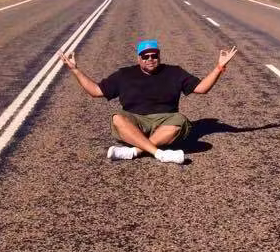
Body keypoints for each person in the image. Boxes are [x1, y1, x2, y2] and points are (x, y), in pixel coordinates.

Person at [59, 39, 238, 164]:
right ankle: (159, 153)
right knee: (117, 118)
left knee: (181, 121)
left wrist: (219, 67)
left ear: (159, 56)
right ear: (139, 58)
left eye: (154, 55)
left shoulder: (174, 72)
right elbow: (96, 91)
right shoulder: (125, 74)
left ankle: (134, 151)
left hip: (165, 120)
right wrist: (75, 70)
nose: (151, 59)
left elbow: (202, 89)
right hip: (136, 120)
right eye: (146, 56)